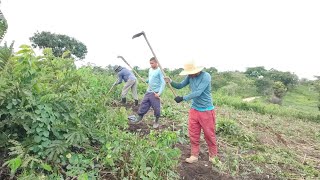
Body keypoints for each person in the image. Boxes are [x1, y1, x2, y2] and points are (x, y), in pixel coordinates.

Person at [164, 61, 218, 163]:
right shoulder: (190, 76)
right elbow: (180, 85)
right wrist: (170, 81)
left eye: (192, 72)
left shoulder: (206, 76)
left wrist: (183, 98)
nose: (191, 74)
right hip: (194, 110)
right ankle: (194, 155)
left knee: (209, 134)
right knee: (193, 133)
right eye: (189, 72)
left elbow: (198, 92)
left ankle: (213, 156)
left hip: (206, 110)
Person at [133, 57, 165, 129]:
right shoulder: (150, 70)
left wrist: (159, 93)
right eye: (150, 63)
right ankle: (139, 117)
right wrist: (145, 80)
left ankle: (156, 121)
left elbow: (163, 83)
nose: (151, 65)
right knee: (144, 104)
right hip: (148, 91)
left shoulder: (160, 71)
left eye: (152, 63)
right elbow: (150, 78)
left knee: (156, 108)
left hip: (155, 93)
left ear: (156, 63)